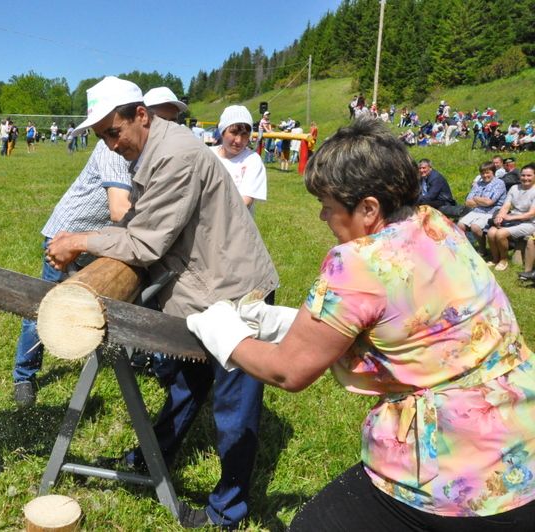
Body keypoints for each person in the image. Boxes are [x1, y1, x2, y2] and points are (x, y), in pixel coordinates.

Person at [186, 118, 535, 531]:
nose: (321, 216)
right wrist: (283, 321)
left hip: (455, 478)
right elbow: (411, 319)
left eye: (329, 207)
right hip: (523, 444)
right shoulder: (435, 225)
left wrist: (224, 334)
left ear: (369, 209)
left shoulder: (357, 261)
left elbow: (288, 370)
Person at [46, 76, 279, 529]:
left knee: (234, 409)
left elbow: (146, 241)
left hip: (234, 293)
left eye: (114, 132)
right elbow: (142, 221)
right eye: (102, 138)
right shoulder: (153, 148)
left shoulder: (176, 154)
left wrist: (78, 241)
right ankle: (152, 456)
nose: (111, 145)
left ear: (141, 115)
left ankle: (227, 511)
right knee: (185, 381)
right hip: (202, 293)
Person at [11, 139, 132, 407]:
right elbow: (120, 209)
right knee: (43, 308)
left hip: (100, 239)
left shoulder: (150, 151)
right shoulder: (112, 146)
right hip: (67, 237)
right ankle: (23, 376)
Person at [210, 105, 266, 216]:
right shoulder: (208, 155)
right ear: (222, 132)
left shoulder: (252, 160)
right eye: (234, 133)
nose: (239, 140)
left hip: (236, 228)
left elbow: (245, 202)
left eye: (244, 134)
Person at [486, 164, 535, 271]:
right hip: (512, 219)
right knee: (490, 232)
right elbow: (506, 205)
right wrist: (500, 216)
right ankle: (495, 259)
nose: (525, 178)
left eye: (529, 175)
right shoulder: (514, 188)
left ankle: (504, 260)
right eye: (523, 175)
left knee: (500, 234)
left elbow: (531, 213)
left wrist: (509, 218)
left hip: (529, 223)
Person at [456, 161, 506, 257]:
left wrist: (475, 198)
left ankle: (482, 248)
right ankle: (465, 247)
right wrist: (481, 201)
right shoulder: (478, 184)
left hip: (492, 212)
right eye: (482, 173)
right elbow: (467, 202)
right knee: (460, 225)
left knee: (475, 227)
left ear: (493, 172)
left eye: (488, 172)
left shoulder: (499, 183)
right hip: (478, 210)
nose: (485, 175)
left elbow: (489, 202)